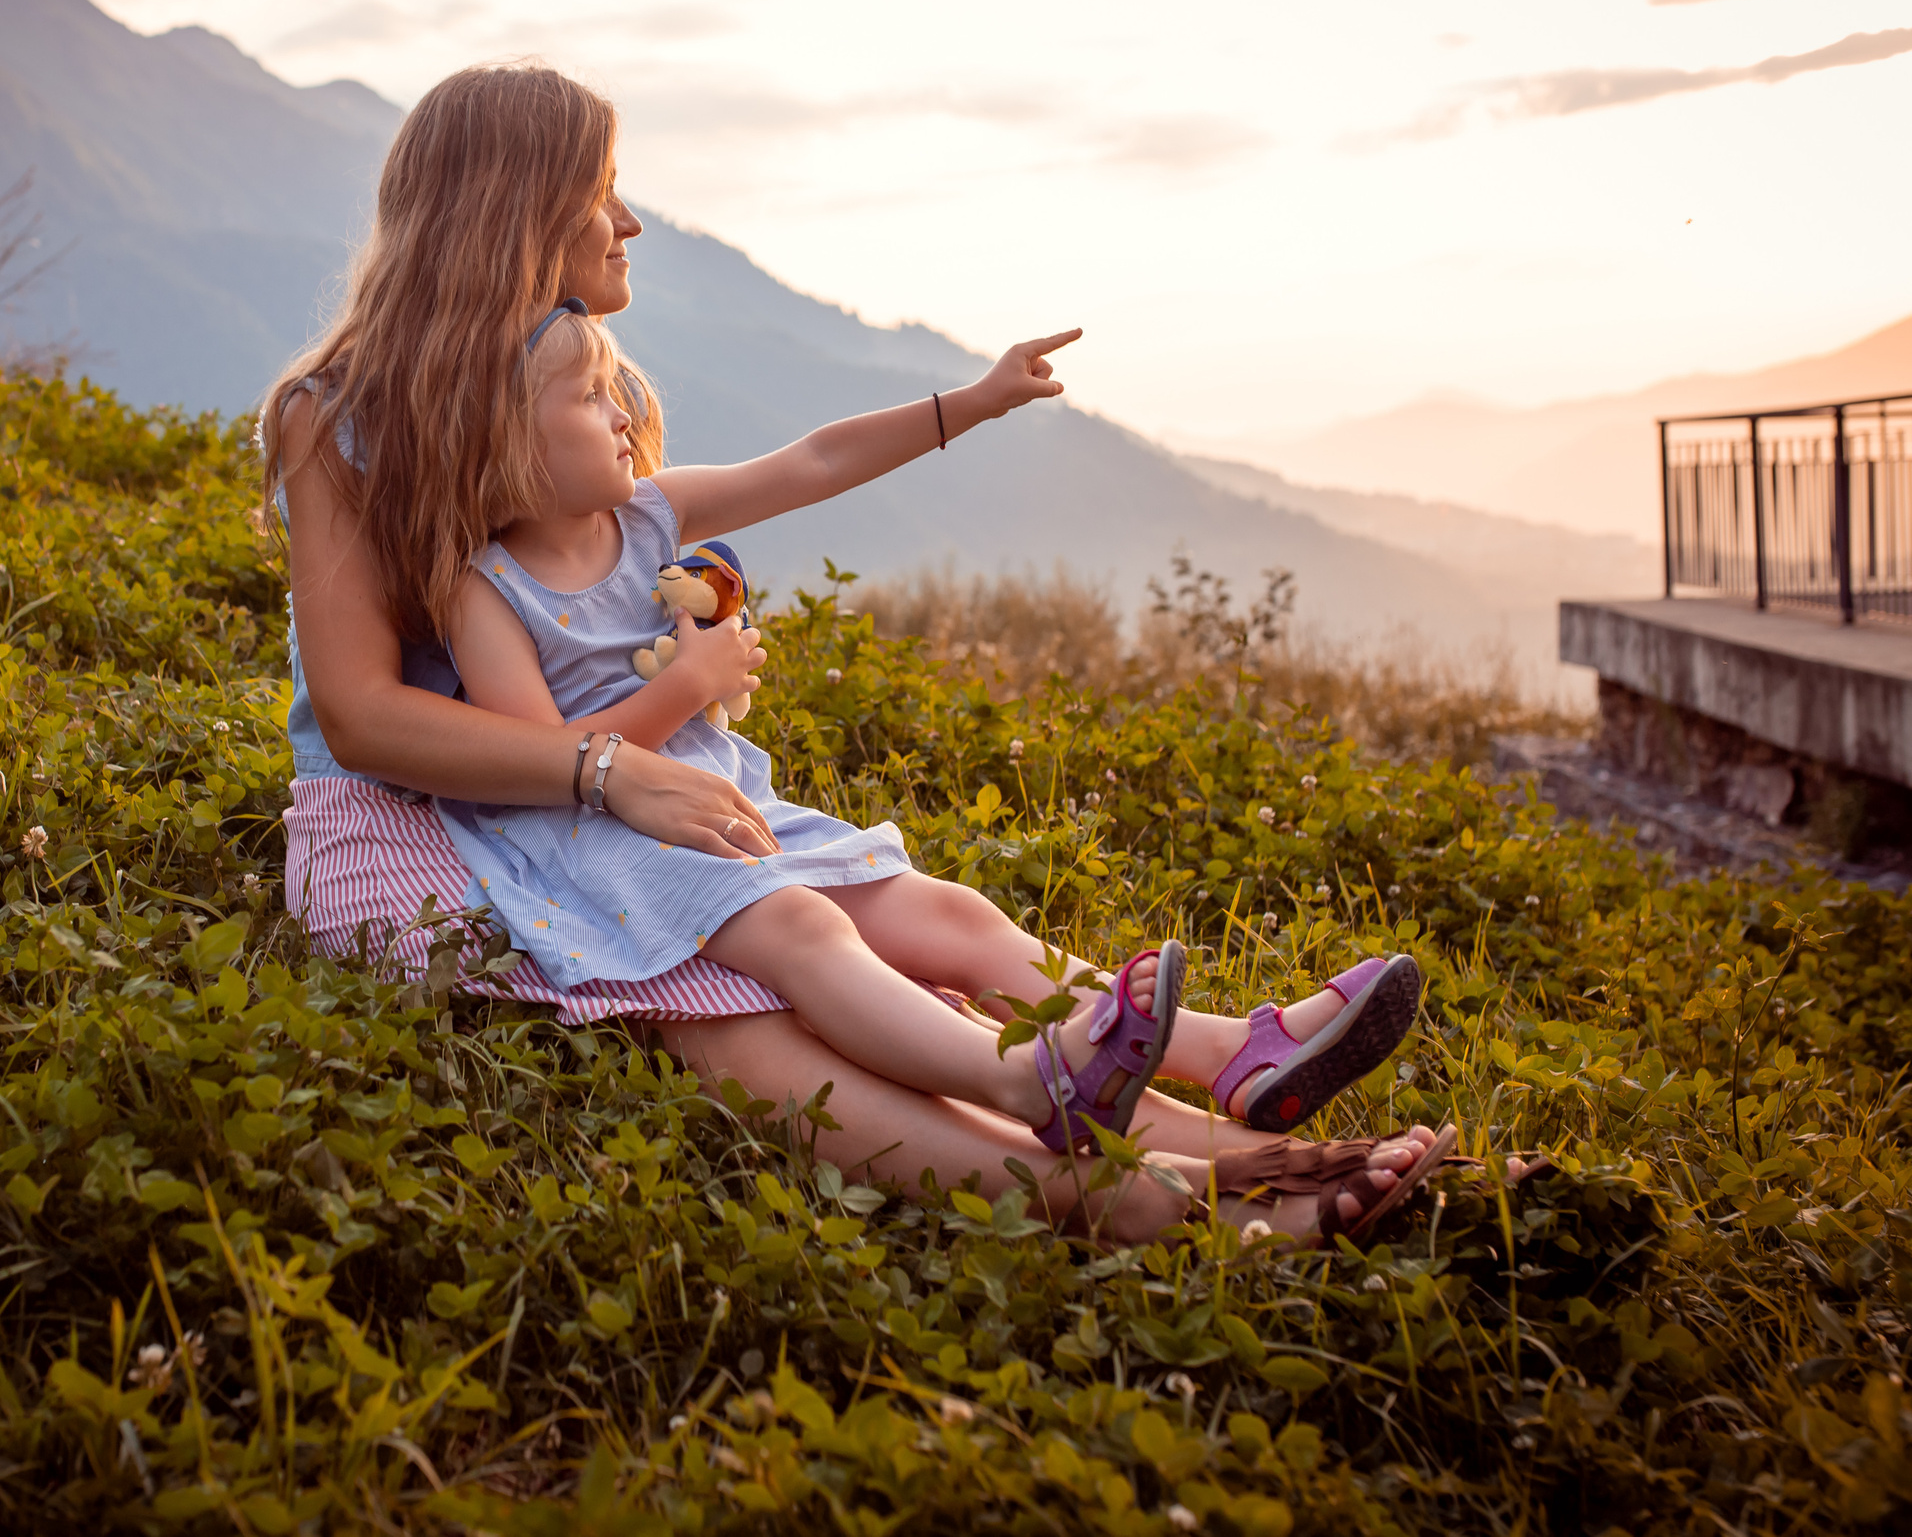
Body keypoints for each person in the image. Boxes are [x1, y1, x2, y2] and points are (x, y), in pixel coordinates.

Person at [267, 61, 1450, 1246]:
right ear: (517, 210)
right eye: (602, 190)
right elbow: (366, 717)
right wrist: (619, 759)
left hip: (602, 783)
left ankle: (1268, 1146)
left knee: (895, 929)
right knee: (761, 1010)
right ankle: (1167, 1209)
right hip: (426, 815)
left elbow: (804, 465)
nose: (629, 221)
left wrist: (964, 405)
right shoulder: (339, 415)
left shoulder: (573, 425)